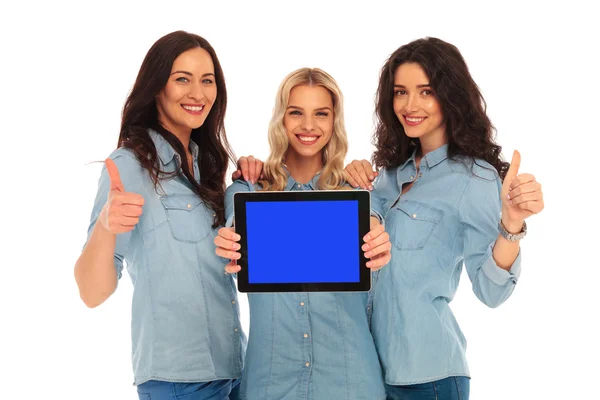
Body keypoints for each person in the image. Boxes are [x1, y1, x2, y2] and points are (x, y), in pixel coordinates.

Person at [343, 37, 545, 400]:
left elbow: (491, 291)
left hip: (428, 378)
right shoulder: (387, 175)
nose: (410, 105)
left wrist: (511, 224)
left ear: (450, 96)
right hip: (366, 375)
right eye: (400, 92)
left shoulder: (475, 178)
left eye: (426, 91)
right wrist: (344, 184)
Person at [74, 30, 261, 400]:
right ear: (157, 86)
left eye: (207, 81)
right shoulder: (127, 166)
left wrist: (247, 183)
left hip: (234, 370)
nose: (198, 93)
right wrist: (105, 225)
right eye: (182, 79)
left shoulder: (204, 164)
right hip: (179, 383)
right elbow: (91, 293)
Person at [215, 67, 391, 400]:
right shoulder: (247, 191)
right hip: (271, 385)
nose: (308, 126)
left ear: (334, 121)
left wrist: (375, 235)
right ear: (280, 118)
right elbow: (234, 230)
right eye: (296, 112)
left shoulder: (359, 192)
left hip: (352, 385)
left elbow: (373, 219)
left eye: (320, 114)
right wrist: (231, 241)